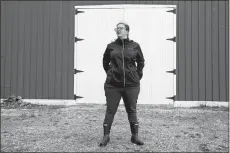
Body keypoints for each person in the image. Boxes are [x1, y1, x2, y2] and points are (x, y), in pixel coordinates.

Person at [99, 22, 145, 147]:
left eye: (121, 28)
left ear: (127, 31)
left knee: (132, 110)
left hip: (131, 85)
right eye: (117, 28)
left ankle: (135, 136)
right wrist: (110, 73)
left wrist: (137, 75)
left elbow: (141, 61)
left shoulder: (135, 46)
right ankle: (106, 136)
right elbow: (105, 61)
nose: (118, 30)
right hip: (113, 85)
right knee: (110, 110)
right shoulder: (111, 46)